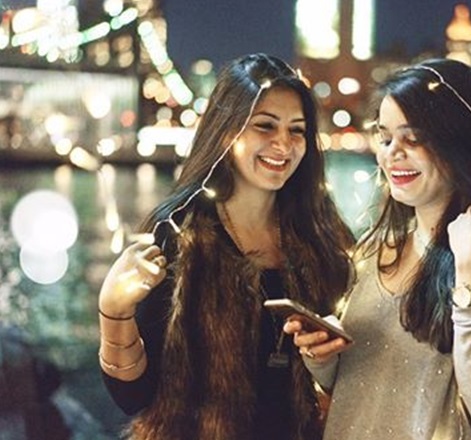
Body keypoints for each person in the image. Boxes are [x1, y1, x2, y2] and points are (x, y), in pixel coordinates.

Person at [285, 58, 471, 440]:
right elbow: (367, 387)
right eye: (385, 138)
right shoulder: (374, 251)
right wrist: (323, 358)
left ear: (460, 144)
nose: (392, 153)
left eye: (412, 138)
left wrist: (470, 269)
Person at [97, 53, 355, 440]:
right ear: (225, 130)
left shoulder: (324, 237)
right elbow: (134, 396)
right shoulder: (179, 233)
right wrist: (113, 310)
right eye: (265, 126)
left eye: (297, 130)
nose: (283, 144)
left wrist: (330, 361)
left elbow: (353, 374)